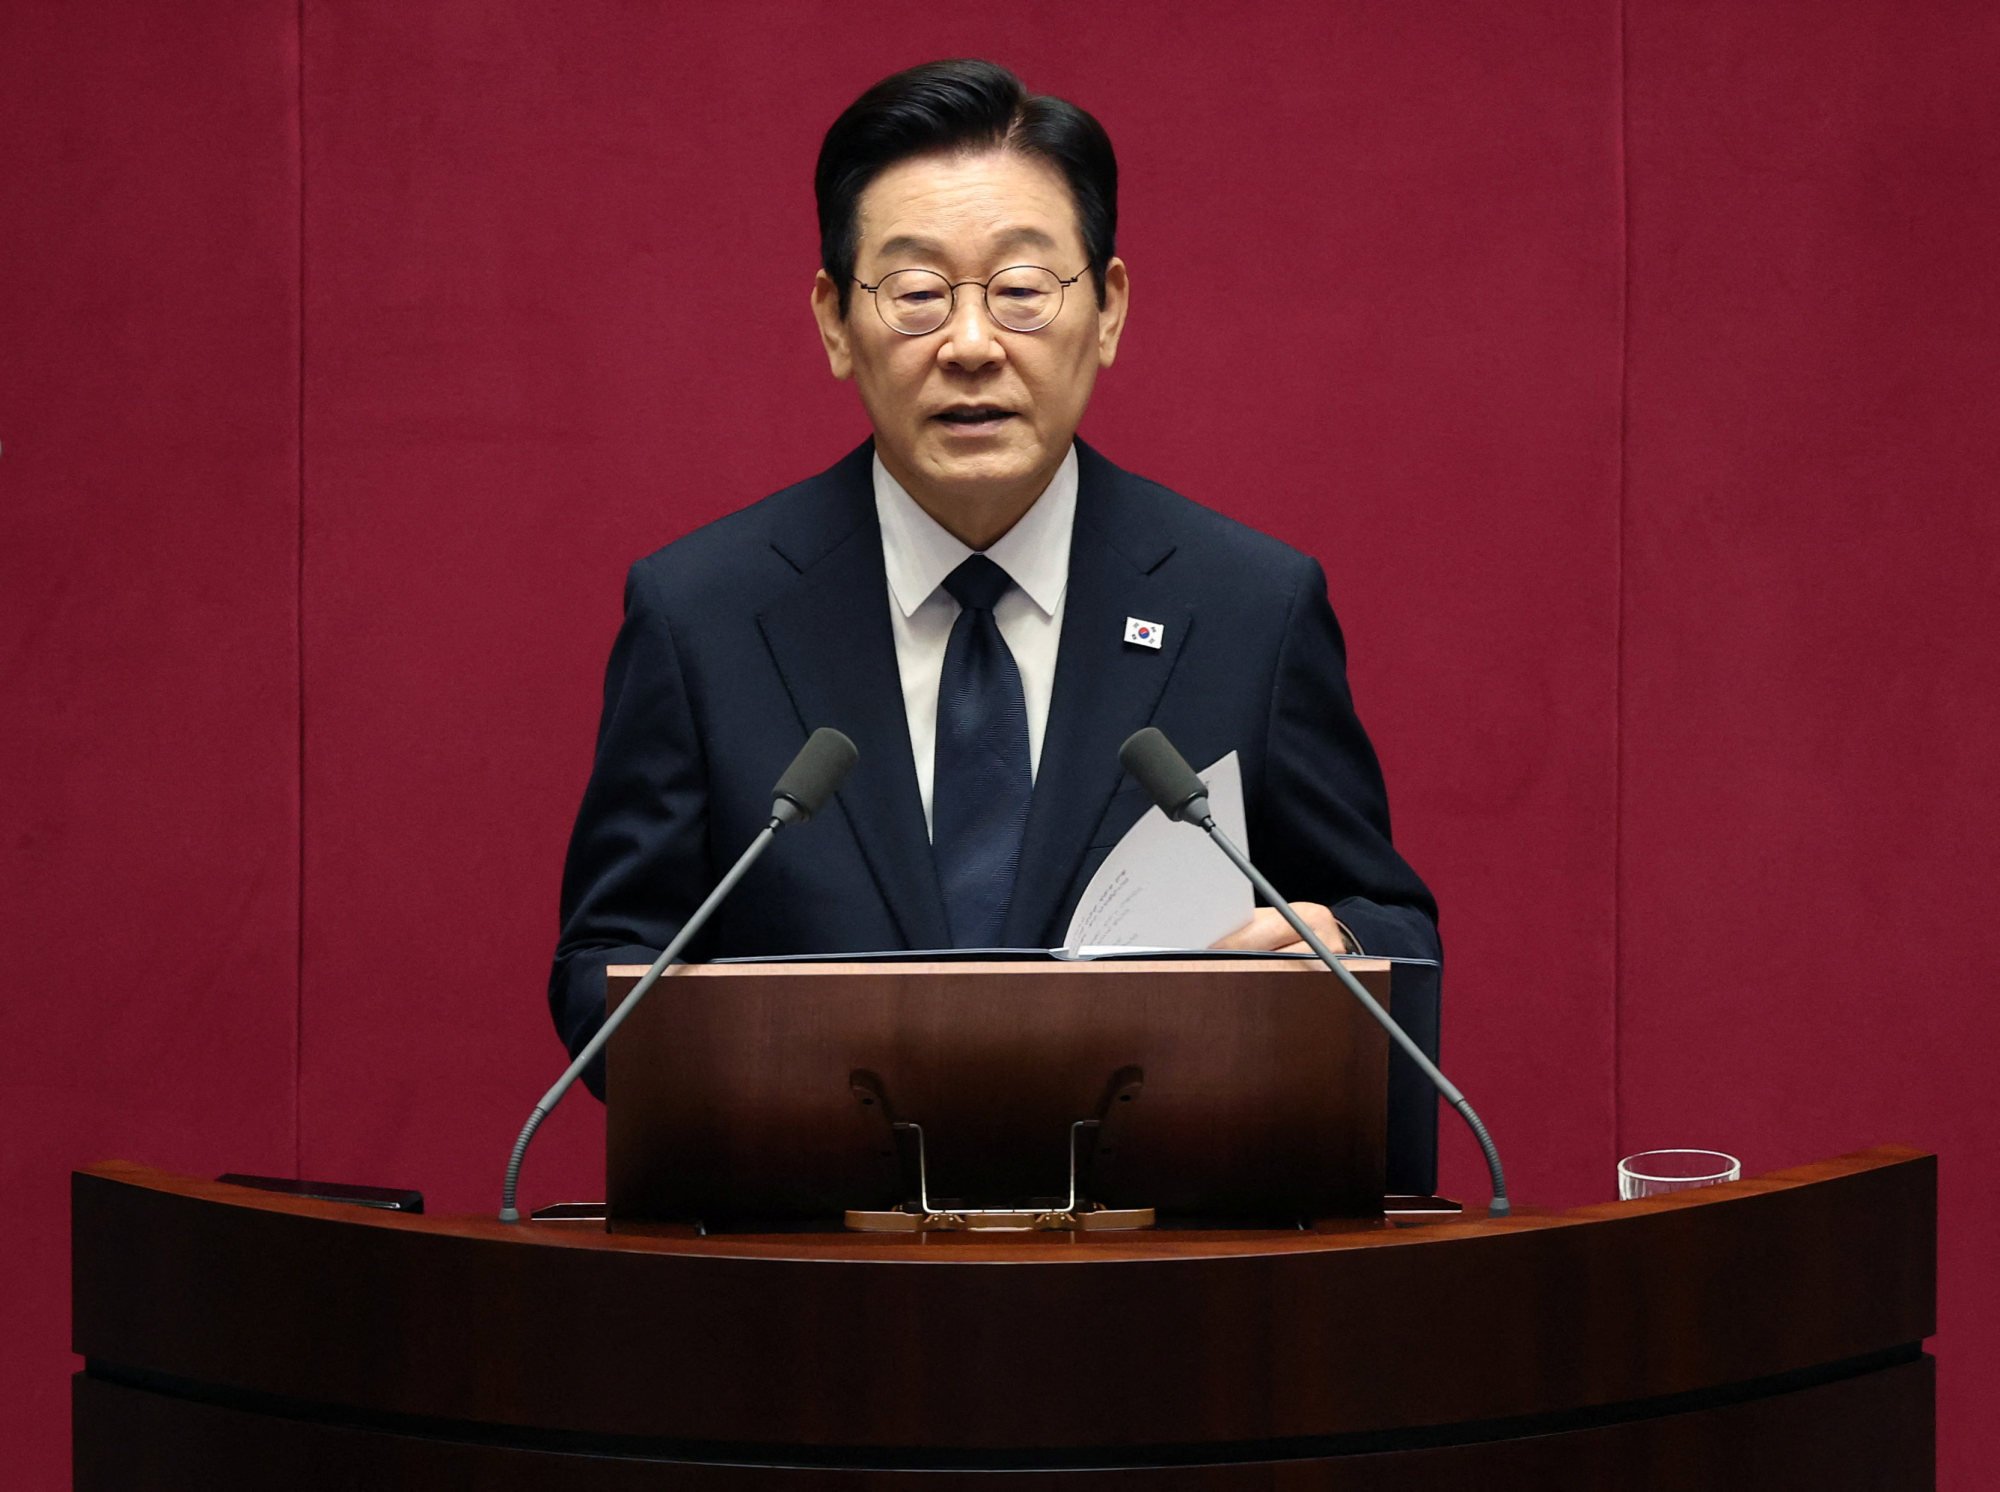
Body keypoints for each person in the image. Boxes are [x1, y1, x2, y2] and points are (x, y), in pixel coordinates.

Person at [548, 61, 1441, 1138]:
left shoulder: (1247, 606)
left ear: (1105, 309)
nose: (970, 345)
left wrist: (1329, 946)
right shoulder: (702, 614)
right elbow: (602, 968)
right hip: (815, 1267)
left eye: (1020, 290)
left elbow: (1394, 932)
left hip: (1157, 1266)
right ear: (835, 322)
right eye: (917, 293)